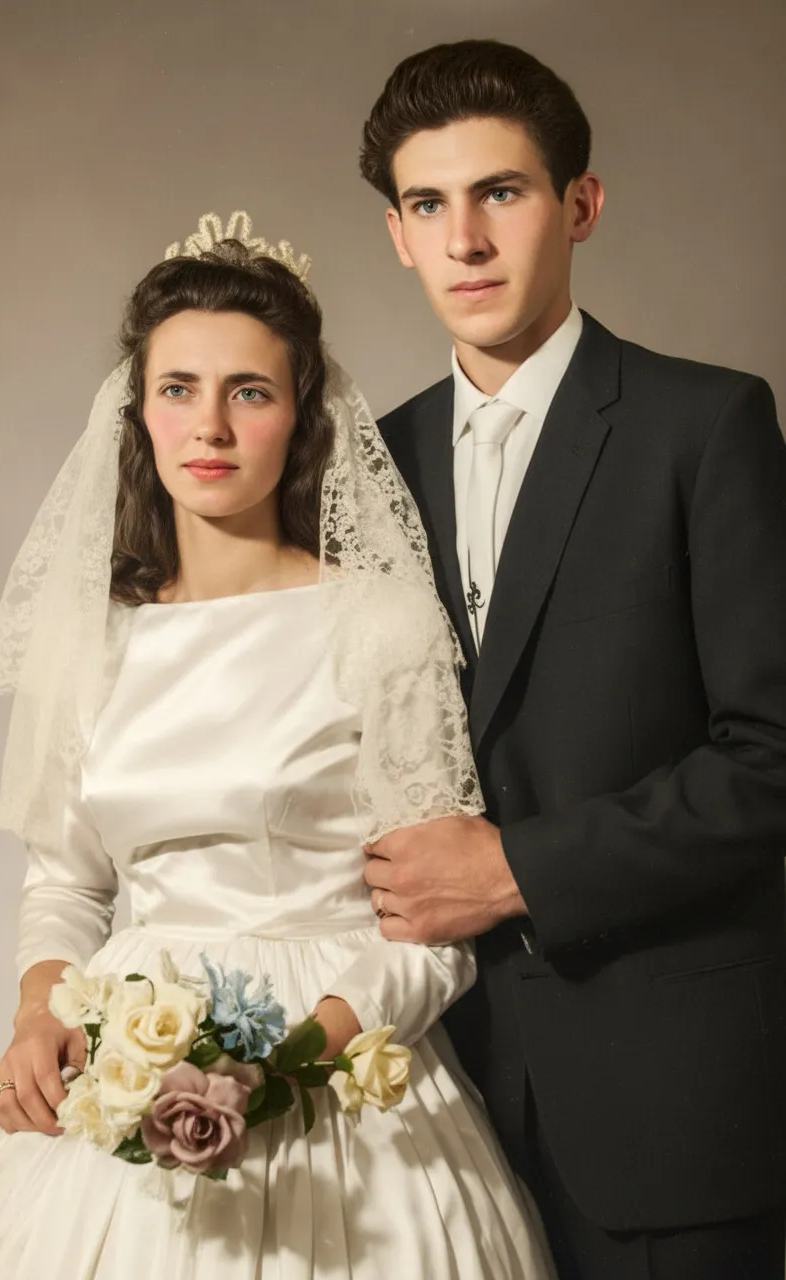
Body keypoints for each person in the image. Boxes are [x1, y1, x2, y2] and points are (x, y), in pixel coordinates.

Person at [0, 213, 556, 1279]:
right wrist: (34, 1012)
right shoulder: (98, 639)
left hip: (342, 1073)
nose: (209, 424)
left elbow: (434, 920)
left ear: (300, 418)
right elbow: (65, 881)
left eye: (248, 391)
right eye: (177, 388)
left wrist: (289, 1061)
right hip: (125, 1061)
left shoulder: (376, 621)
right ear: (137, 415)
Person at [360, 38, 786, 1280]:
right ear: (395, 232)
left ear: (579, 205)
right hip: (431, 1106)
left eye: (501, 192)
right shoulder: (367, 467)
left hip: (666, 1102)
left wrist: (517, 869)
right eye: (429, 205)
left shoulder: (703, 424)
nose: (466, 240)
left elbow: (771, 760)